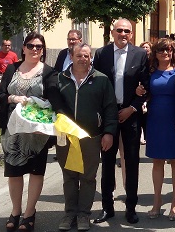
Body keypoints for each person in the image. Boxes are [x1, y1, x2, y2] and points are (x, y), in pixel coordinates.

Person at [47, 43, 118, 232]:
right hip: (65, 137)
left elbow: (110, 108)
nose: (83, 59)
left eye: (86, 56)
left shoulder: (101, 80)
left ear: (91, 58)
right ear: (71, 56)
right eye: (79, 55)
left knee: (88, 177)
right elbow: (50, 106)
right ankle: (70, 213)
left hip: (91, 137)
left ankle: (84, 215)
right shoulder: (59, 79)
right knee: (69, 176)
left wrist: (109, 132)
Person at [0, 32, 57, 232]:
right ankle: (15, 211)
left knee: (36, 171)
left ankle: (29, 214)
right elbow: (1, 95)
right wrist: (13, 99)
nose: (35, 49)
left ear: (43, 50)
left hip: (37, 132)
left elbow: (55, 102)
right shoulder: (12, 68)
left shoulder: (49, 73)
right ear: (23, 48)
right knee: (14, 171)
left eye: (39, 47)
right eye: (31, 46)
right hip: (13, 130)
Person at [92, 18, 148, 225]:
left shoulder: (140, 54)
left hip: (131, 113)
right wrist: (105, 112)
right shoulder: (101, 54)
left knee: (132, 161)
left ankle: (131, 207)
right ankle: (107, 207)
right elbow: (95, 83)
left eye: (127, 31)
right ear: (113, 33)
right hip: (108, 115)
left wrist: (132, 107)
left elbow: (146, 85)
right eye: (119, 30)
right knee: (107, 162)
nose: (123, 34)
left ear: (131, 34)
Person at [142, 38, 175, 220]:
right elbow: (143, 90)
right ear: (155, 53)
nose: (165, 53)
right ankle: (157, 201)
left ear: (173, 52)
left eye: (168, 50)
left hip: (174, 118)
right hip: (155, 119)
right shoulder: (149, 71)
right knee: (157, 161)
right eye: (161, 50)